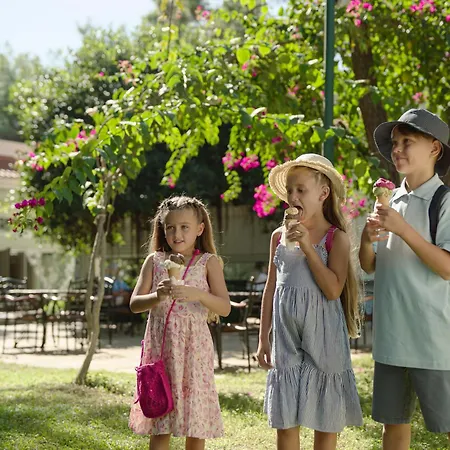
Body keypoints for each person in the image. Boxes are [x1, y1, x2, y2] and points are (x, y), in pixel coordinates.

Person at [257, 153, 363, 450]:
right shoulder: (278, 236)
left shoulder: (335, 238)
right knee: (285, 418)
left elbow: (332, 290)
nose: (293, 197)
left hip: (324, 334)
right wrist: (263, 338)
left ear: (323, 193)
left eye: (301, 190)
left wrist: (307, 245)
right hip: (286, 335)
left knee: (325, 416)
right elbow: (271, 288)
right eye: (290, 190)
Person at [359, 109, 450, 449]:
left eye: (407, 142)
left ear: (435, 148)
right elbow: (370, 265)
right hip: (391, 339)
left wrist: (403, 229)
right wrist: (366, 240)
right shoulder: (389, 200)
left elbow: (446, 268)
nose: (396, 149)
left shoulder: (444, 202)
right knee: (393, 427)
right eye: (395, 143)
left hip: (433, 341)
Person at [128, 195, 231, 450]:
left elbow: (225, 307)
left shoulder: (208, 262)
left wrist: (198, 294)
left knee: (195, 421)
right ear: (163, 229)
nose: (177, 234)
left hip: (194, 351)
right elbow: (135, 303)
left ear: (200, 229)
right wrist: (157, 295)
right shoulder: (155, 261)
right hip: (161, 351)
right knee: (160, 418)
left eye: (185, 227)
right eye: (171, 227)